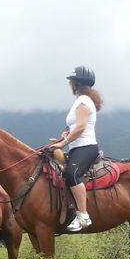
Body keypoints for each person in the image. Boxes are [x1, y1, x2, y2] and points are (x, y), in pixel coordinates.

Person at [51, 66, 104, 232]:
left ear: (77, 83)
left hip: (86, 147)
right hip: (77, 147)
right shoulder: (80, 101)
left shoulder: (83, 102)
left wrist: (62, 143)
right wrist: (64, 135)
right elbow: (74, 126)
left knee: (71, 174)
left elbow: (81, 127)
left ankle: (83, 215)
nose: (69, 84)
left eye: (71, 81)